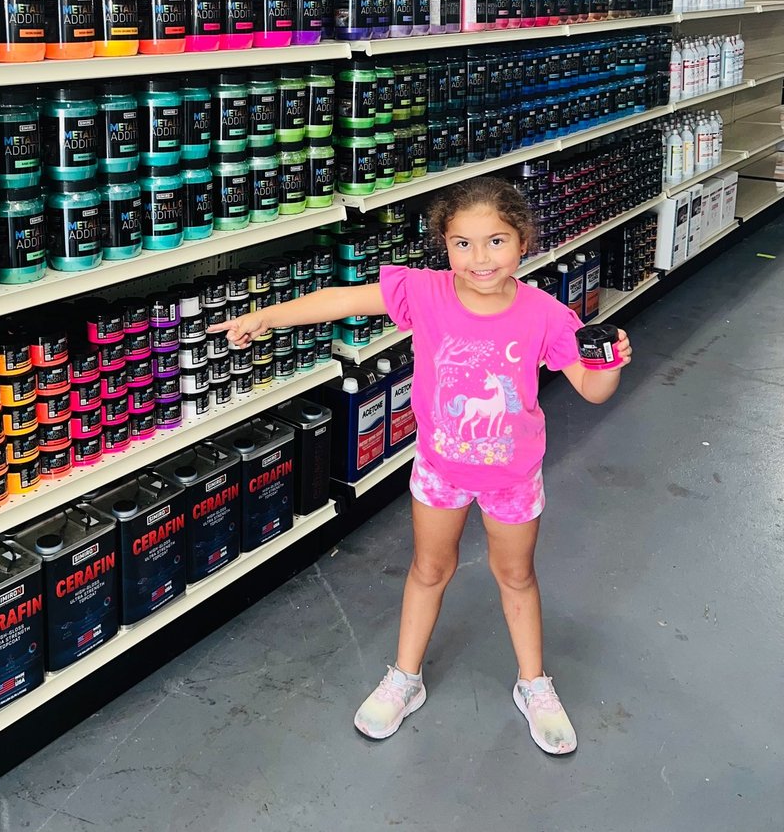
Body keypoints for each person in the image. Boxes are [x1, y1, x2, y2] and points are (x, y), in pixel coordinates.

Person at [210, 175, 632, 755]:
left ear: (523, 240)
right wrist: (271, 315)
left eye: (496, 241)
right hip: (439, 470)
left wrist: (608, 362)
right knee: (429, 569)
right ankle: (405, 678)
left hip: (512, 477)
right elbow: (344, 298)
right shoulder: (425, 292)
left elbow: (591, 389)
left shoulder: (546, 314)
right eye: (462, 243)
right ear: (445, 245)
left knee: (516, 575)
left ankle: (533, 683)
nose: (479, 258)